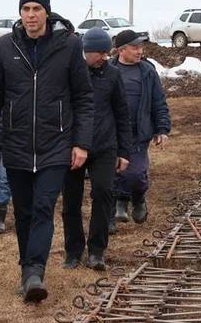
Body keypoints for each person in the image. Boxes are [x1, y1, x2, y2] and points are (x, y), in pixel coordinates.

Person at [0, 0, 93, 303]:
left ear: (47, 12)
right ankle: (27, 270)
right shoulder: (6, 47)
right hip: (15, 143)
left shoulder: (69, 45)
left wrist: (81, 143)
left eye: (36, 9)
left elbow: (83, 98)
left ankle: (34, 273)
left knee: (43, 207)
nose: (31, 15)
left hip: (55, 143)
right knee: (24, 212)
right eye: (26, 9)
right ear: (20, 13)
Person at [61, 28, 131, 271]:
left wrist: (124, 151)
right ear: (86, 51)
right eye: (99, 52)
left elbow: (122, 114)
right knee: (71, 200)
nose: (104, 57)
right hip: (73, 147)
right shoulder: (70, 73)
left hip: (104, 146)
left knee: (103, 194)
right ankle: (73, 251)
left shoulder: (113, 75)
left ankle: (97, 251)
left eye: (106, 52)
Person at [111, 29, 171, 225]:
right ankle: (117, 205)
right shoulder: (109, 69)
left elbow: (158, 101)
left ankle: (137, 198)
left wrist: (162, 129)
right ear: (121, 50)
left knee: (136, 173)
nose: (140, 51)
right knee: (113, 171)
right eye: (135, 47)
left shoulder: (147, 71)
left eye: (140, 47)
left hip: (139, 132)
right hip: (113, 131)